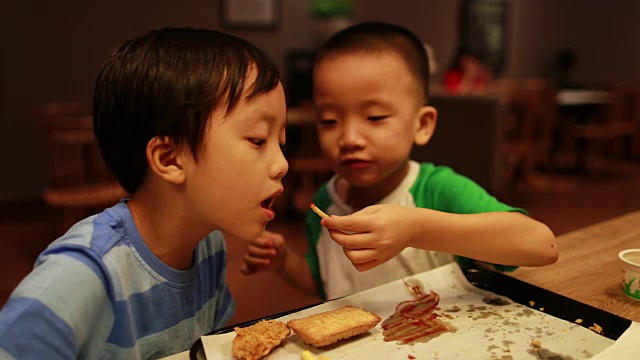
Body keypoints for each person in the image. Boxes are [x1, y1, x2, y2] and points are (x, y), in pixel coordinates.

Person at [0, 27, 288, 359]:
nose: (282, 165)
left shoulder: (208, 245)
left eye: (279, 143)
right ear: (169, 159)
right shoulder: (85, 272)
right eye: (258, 140)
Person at [241, 21, 558, 301]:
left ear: (422, 125)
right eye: (329, 121)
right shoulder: (324, 202)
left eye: (375, 117)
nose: (349, 137)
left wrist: (415, 228)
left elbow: (542, 245)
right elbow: (330, 285)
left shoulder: (437, 190)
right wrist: (286, 263)